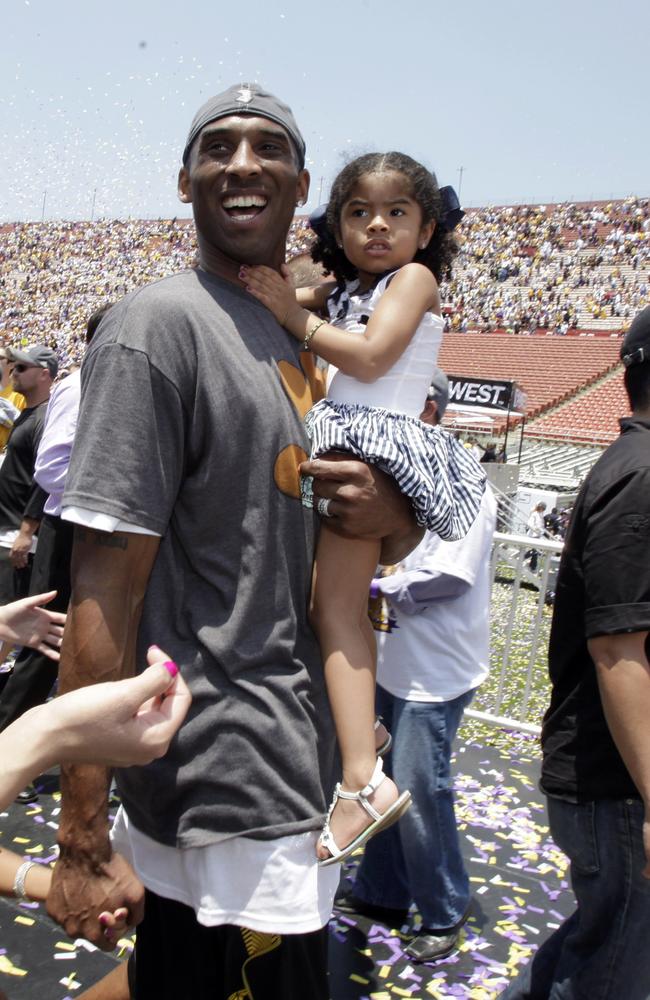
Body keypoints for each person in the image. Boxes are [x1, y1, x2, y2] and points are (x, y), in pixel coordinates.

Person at [47, 84, 421, 1000]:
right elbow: (107, 587)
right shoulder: (156, 327)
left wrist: (391, 514)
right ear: (185, 182)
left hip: (289, 761)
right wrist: (82, 830)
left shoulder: (289, 334)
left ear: (300, 189)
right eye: (218, 148)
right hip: (227, 771)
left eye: (267, 148)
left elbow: (321, 530)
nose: (243, 163)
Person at [243, 152, 485, 867]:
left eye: (396, 213)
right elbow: (296, 302)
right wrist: (289, 296)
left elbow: (374, 357)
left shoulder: (415, 279)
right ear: (337, 225)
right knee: (332, 604)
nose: (377, 226)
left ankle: (360, 780)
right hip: (350, 439)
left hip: (373, 446)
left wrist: (292, 312)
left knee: (336, 611)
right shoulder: (349, 285)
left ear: (427, 226)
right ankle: (364, 738)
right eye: (358, 213)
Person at [499, 304, 650, 999]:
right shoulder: (643, 479)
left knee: (598, 943)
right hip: (616, 785)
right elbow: (619, 651)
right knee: (614, 967)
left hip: (616, 781)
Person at [335, 370, 497, 962]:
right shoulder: (390, 471)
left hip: (436, 669)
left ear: (426, 409)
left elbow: (452, 575)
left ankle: (443, 908)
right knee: (386, 782)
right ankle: (383, 892)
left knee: (422, 787)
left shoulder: (464, 478)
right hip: (389, 660)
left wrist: (375, 585)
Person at [0, 307, 112, 791]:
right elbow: (49, 473)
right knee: (46, 641)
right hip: (68, 526)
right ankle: (10, 752)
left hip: (105, 528)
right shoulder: (78, 388)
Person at [0, 345, 57, 605]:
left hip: (17, 537)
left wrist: (25, 533)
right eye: (13, 368)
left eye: (21, 368)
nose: (14, 373)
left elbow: (43, 480)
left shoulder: (45, 419)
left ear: (44, 375)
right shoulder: (28, 414)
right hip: (7, 530)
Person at [525, 500, 546, 572]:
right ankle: (531, 566)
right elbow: (530, 523)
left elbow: (541, 526)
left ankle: (532, 566)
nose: (542, 509)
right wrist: (535, 529)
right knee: (534, 552)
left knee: (535, 552)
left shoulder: (540, 515)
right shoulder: (535, 514)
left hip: (537, 535)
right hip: (533, 535)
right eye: (542, 507)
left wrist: (541, 531)